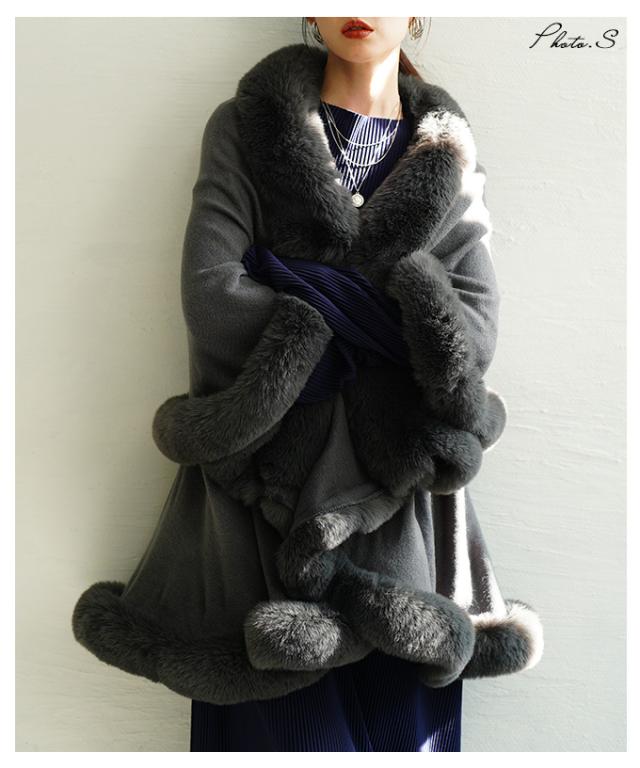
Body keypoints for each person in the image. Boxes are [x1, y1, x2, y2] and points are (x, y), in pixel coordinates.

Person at [72, 15, 544, 753]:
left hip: (406, 515)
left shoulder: (448, 152)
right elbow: (211, 293)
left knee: (401, 735)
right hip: (261, 501)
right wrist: (390, 318)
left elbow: (473, 333)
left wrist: (293, 282)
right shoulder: (245, 126)